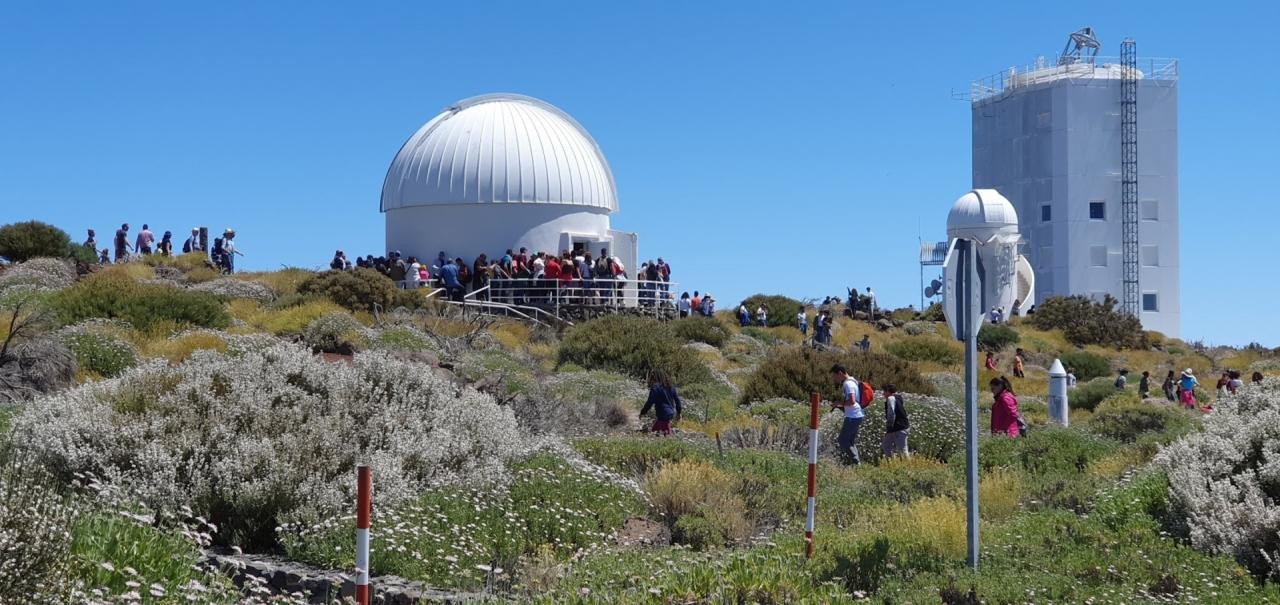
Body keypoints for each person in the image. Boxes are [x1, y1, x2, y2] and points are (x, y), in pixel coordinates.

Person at [831, 364, 866, 465]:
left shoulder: (847, 384)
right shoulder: (853, 381)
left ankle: (856, 463)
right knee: (850, 441)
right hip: (857, 415)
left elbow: (852, 401)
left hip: (853, 416)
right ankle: (857, 464)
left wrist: (839, 404)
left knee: (843, 440)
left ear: (840, 373)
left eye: (835, 376)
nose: (835, 379)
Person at [639, 369, 682, 435]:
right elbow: (677, 401)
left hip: (663, 414)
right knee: (655, 431)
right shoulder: (671, 386)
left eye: (652, 377)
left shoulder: (655, 388)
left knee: (664, 434)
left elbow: (650, 402)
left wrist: (643, 412)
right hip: (670, 412)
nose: (651, 379)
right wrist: (679, 413)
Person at [881, 384, 910, 458]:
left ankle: (907, 467)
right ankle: (891, 464)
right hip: (899, 427)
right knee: (886, 445)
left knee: (902, 450)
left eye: (884, 391)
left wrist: (889, 426)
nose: (883, 393)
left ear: (888, 391)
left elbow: (891, 413)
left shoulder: (891, 398)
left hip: (899, 427)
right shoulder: (898, 397)